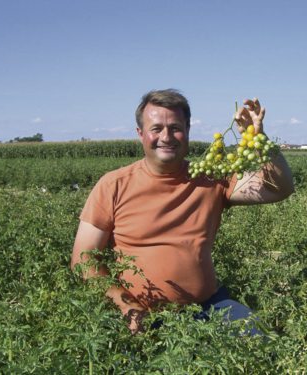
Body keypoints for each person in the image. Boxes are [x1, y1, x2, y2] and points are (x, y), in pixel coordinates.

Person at [71, 89, 294, 334]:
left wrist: (258, 137)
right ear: (140, 134)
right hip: (140, 315)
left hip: (210, 307)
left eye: (175, 127)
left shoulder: (210, 176)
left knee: (262, 343)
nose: (166, 136)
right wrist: (128, 307)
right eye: (156, 128)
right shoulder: (114, 184)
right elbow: (83, 260)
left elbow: (278, 189)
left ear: (187, 131)